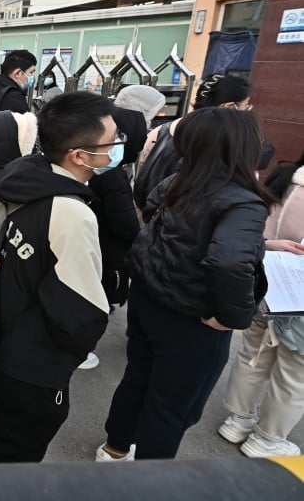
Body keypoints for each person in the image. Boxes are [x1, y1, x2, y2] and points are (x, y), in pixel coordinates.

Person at [97, 107, 272, 462]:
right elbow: (227, 260)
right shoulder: (242, 200)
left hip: (149, 300)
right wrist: (230, 317)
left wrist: (265, 245)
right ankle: (151, 483)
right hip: (194, 319)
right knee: (170, 408)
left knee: (138, 380)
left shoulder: (178, 181)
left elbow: (184, 234)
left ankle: (114, 450)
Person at [0, 91, 113, 464]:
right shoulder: (71, 212)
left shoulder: (14, 180)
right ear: (80, 155)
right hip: (33, 366)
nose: (115, 152)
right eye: (111, 143)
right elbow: (79, 311)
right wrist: (70, 355)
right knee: (13, 462)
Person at [219, 152, 304, 458]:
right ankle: (267, 438)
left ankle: (238, 420)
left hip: (266, 283)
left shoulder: (285, 177)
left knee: (253, 355)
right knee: (294, 373)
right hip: (299, 297)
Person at [81, 104, 150, 370]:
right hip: (108, 254)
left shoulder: (92, 169)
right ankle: (81, 350)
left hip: (91, 248)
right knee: (95, 303)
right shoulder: (113, 176)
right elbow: (124, 224)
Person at [133, 74, 252, 213]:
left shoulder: (161, 131)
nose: (248, 111)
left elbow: (142, 168)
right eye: (246, 105)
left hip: (149, 214)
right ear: (231, 106)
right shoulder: (228, 144)